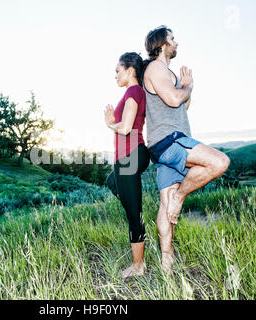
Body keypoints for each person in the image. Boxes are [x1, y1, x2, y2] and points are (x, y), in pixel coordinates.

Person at [143, 26, 230, 273]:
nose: (176, 43)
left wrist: (188, 87)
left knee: (164, 204)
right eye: (172, 39)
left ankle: (166, 264)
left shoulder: (166, 73)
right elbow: (173, 99)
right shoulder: (155, 68)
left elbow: (180, 106)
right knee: (219, 162)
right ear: (161, 44)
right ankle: (180, 197)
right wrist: (187, 89)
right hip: (170, 140)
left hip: (166, 144)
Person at [104, 52, 150, 279]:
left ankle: (138, 265)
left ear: (130, 70)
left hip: (131, 155)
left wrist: (110, 124)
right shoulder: (132, 93)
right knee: (111, 181)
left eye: (117, 70)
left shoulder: (133, 91)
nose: (115, 76)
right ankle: (137, 216)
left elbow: (125, 128)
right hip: (129, 156)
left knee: (133, 214)